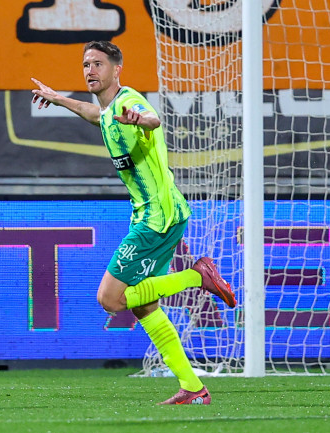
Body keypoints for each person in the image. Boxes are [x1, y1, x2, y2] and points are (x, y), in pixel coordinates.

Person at [31, 41, 236, 405]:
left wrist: (142, 121)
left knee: (110, 298)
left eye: (98, 64)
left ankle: (197, 277)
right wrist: (59, 99)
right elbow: (96, 115)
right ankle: (193, 387)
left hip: (157, 219)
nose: (90, 70)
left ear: (117, 69)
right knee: (144, 306)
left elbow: (151, 119)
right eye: (86, 64)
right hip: (154, 214)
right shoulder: (109, 111)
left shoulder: (130, 103)